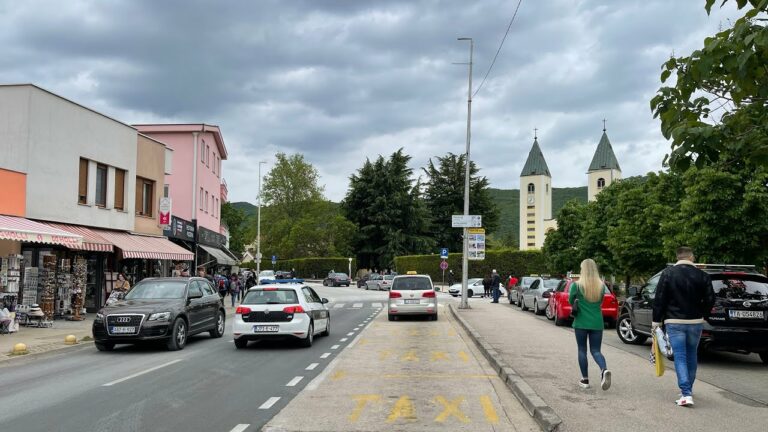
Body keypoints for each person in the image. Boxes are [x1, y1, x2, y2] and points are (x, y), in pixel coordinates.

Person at [652, 247, 715, 407]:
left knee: (680, 356)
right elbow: (710, 299)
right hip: (695, 322)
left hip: (674, 322)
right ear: (692, 257)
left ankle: (686, 393)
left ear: (677, 257)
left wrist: (656, 321)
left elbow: (660, 298)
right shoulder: (703, 275)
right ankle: (688, 390)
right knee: (692, 355)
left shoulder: (668, 273)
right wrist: (703, 314)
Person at [570, 258, 611, 391]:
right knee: (596, 350)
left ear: (583, 270)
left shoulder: (576, 285)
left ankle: (585, 379)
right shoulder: (601, 286)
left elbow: (571, 300)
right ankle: (604, 369)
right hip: (597, 322)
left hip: (581, 322)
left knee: (582, 350)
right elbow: (601, 302)